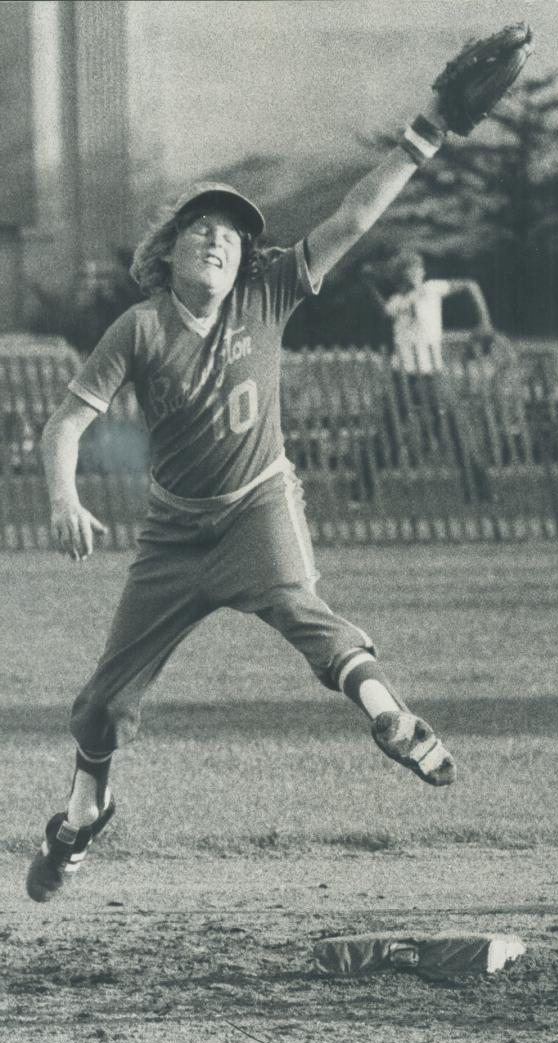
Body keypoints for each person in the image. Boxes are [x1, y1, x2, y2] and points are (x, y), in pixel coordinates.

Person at [26, 91, 466, 903]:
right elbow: (65, 426)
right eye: (202, 228)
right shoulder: (141, 327)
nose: (218, 240)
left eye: (231, 234)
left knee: (304, 610)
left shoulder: (266, 293)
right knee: (102, 704)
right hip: (173, 534)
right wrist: (63, 498)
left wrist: (424, 136)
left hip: (257, 502)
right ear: (168, 251)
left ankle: (391, 717)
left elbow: (351, 220)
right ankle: (86, 813)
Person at [364, 250, 493, 501]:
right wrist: (370, 285)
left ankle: (479, 490)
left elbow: (470, 285)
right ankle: (363, 489)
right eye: (409, 270)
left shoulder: (433, 289)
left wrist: (484, 319)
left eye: (418, 268)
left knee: (456, 427)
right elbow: (384, 312)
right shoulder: (397, 302)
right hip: (402, 375)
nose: (415, 273)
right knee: (388, 432)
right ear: (400, 276)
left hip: (431, 373)